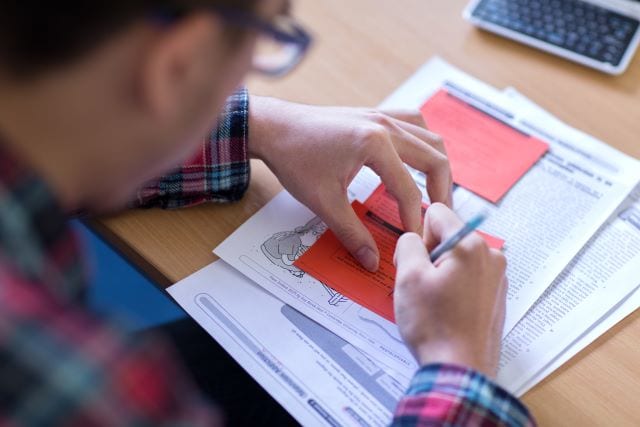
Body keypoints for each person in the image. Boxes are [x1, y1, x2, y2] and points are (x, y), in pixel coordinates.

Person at [0, 1, 535, 426]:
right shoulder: (90, 389)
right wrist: (457, 368)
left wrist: (257, 125)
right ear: (177, 63)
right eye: (270, 40)